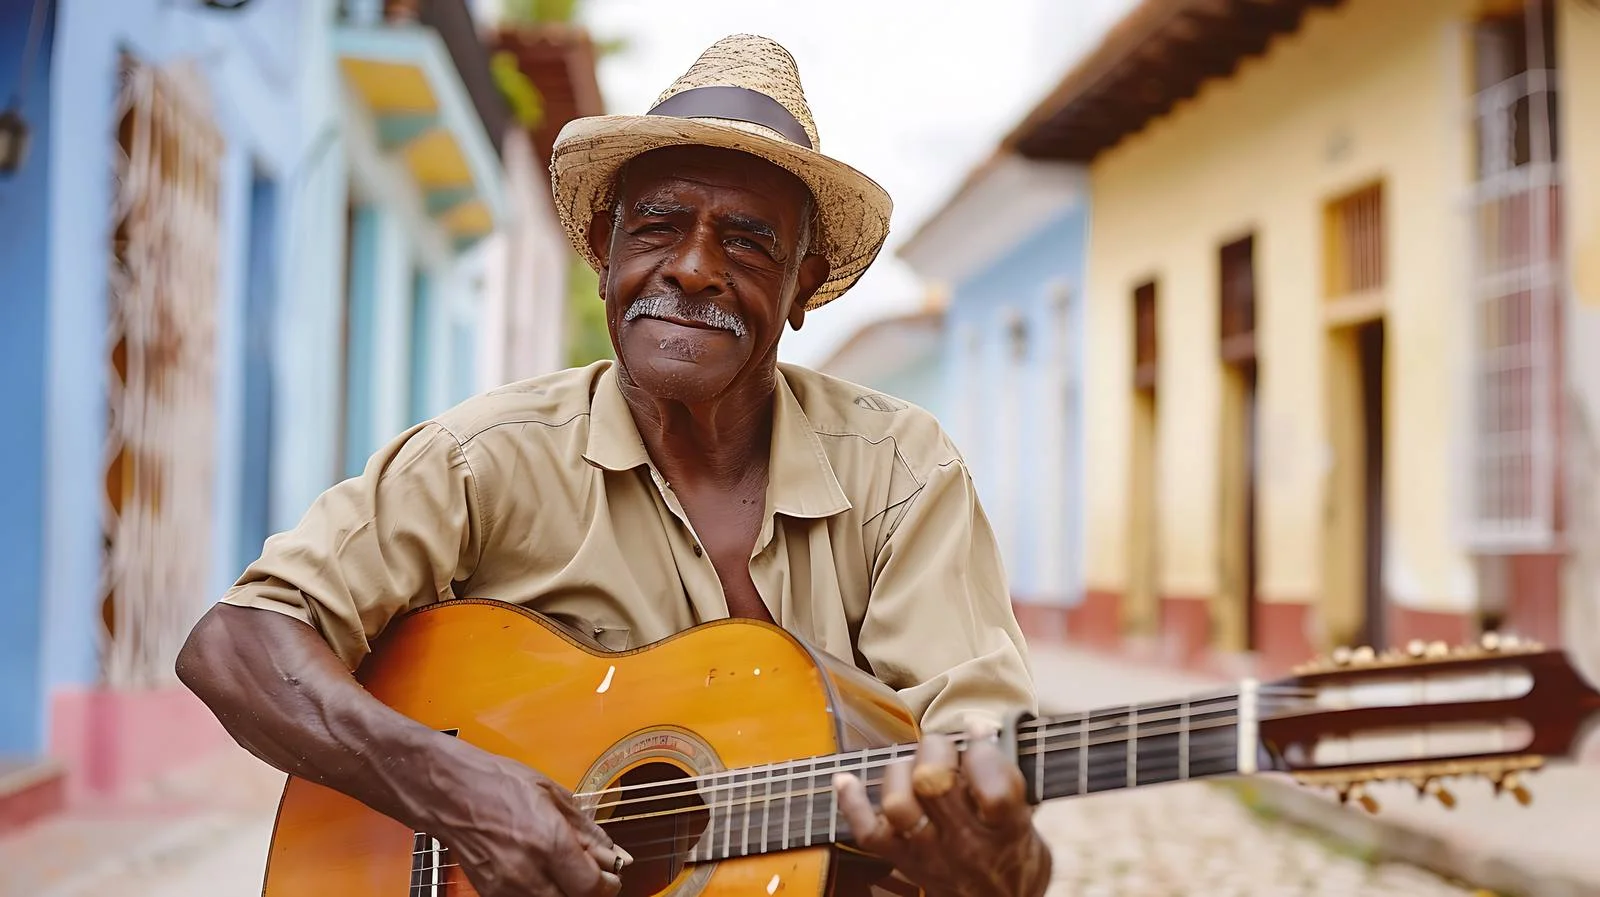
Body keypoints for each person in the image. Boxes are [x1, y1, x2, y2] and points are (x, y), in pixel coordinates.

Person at [176, 34, 1053, 897]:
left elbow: (986, 774)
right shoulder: (485, 459)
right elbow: (238, 642)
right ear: (604, 252)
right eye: (660, 225)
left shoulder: (902, 472)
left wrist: (1001, 862)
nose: (694, 267)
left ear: (802, 284)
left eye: (747, 241)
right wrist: (451, 786)